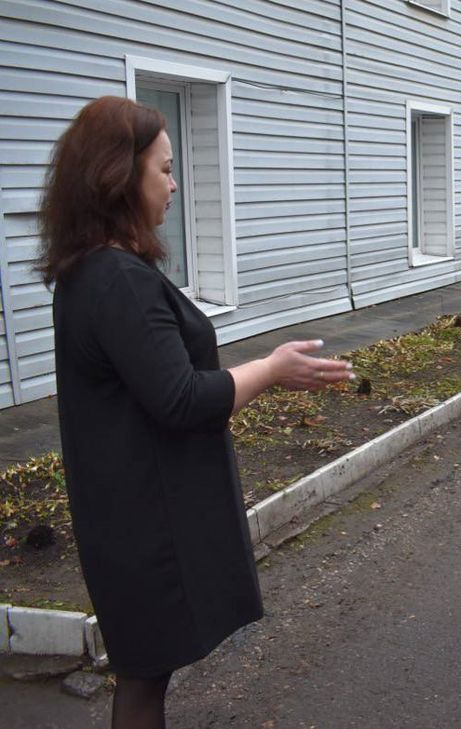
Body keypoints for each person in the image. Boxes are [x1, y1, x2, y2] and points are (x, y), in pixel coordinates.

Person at [38, 96, 354, 729]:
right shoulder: (118, 280)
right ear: (120, 176)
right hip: (145, 519)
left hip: (125, 506)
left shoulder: (92, 272)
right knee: (143, 680)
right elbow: (181, 399)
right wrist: (270, 370)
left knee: (143, 673)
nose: (175, 184)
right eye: (164, 169)